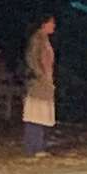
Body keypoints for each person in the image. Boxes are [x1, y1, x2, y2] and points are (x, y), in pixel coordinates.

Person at [23, 15, 56, 156]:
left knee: (41, 114)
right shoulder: (37, 39)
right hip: (38, 82)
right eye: (51, 23)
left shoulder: (44, 39)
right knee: (35, 113)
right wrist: (40, 74)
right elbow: (31, 58)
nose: (54, 26)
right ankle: (34, 147)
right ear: (44, 24)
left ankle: (39, 145)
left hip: (45, 81)